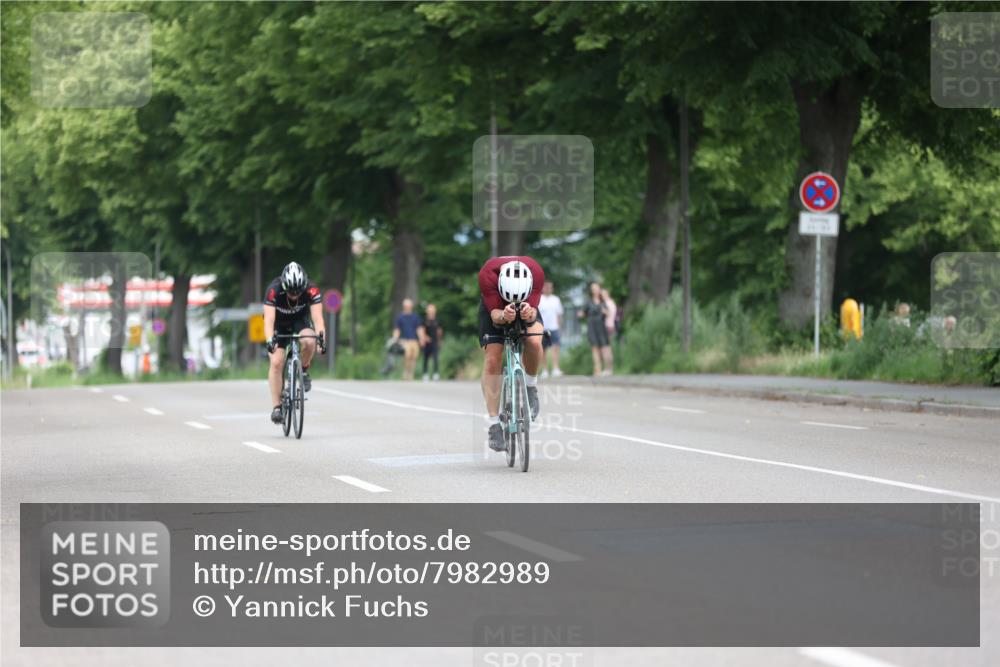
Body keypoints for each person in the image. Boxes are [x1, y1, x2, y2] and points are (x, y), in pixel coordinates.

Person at [478, 256, 545, 452]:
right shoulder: (487, 275)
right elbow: (494, 317)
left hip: (527, 304)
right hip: (496, 307)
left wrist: (529, 313)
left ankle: (531, 386)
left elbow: (533, 313)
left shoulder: (536, 273)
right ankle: (493, 424)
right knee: (493, 358)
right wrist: (503, 315)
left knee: (533, 340)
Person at [263, 261, 326, 424]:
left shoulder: (312, 289)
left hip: (300, 321)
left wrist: (321, 340)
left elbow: (318, 319)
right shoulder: (273, 290)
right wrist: (270, 340)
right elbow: (268, 320)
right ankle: (277, 407)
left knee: (309, 341)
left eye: (298, 292)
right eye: (290, 292)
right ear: (284, 286)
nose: (294, 295)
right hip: (278, 323)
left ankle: (303, 370)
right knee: (276, 362)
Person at [578, 282, 612, 376]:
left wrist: (605, 312)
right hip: (592, 326)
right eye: (593, 288)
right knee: (595, 348)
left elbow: (608, 313)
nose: (595, 290)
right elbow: (582, 313)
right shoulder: (588, 302)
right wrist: (581, 314)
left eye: (596, 288)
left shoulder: (602, 301)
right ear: (591, 291)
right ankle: (597, 369)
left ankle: (608, 369)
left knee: (604, 347)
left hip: (601, 326)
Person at [392, 298, 424, 381]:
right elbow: (397, 329)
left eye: (409, 305)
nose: (408, 307)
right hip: (404, 340)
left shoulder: (415, 317)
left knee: (414, 357)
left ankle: (411, 374)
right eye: (406, 306)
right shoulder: (400, 317)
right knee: (407, 355)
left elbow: (419, 329)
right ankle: (406, 372)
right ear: (404, 306)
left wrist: (421, 338)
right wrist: (395, 339)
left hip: (414, 340)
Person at [537, 280, 564, 378]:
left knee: (556, 348)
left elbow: (559, 315)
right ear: (543, 288)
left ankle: (556, 368)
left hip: (554, 328)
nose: (548, 289)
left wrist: (560, 328)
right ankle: (544, 370)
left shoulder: (556, 299)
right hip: (542, 328)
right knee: (543, 350)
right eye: (546, 287)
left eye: (550, 287)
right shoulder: (539, 299)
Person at [422, 303, 443, 381]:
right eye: (430, 310)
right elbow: (422, 330)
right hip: (427, 343)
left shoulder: (437, 321)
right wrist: (425, 338)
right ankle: (425, 374)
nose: (431, 312)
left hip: (435, 342)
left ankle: (436, 373)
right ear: (427, 311)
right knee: (426, 358)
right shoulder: (424, 321)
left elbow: (439, 331)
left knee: (435, 358)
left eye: (432, 310)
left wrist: (440, 340)